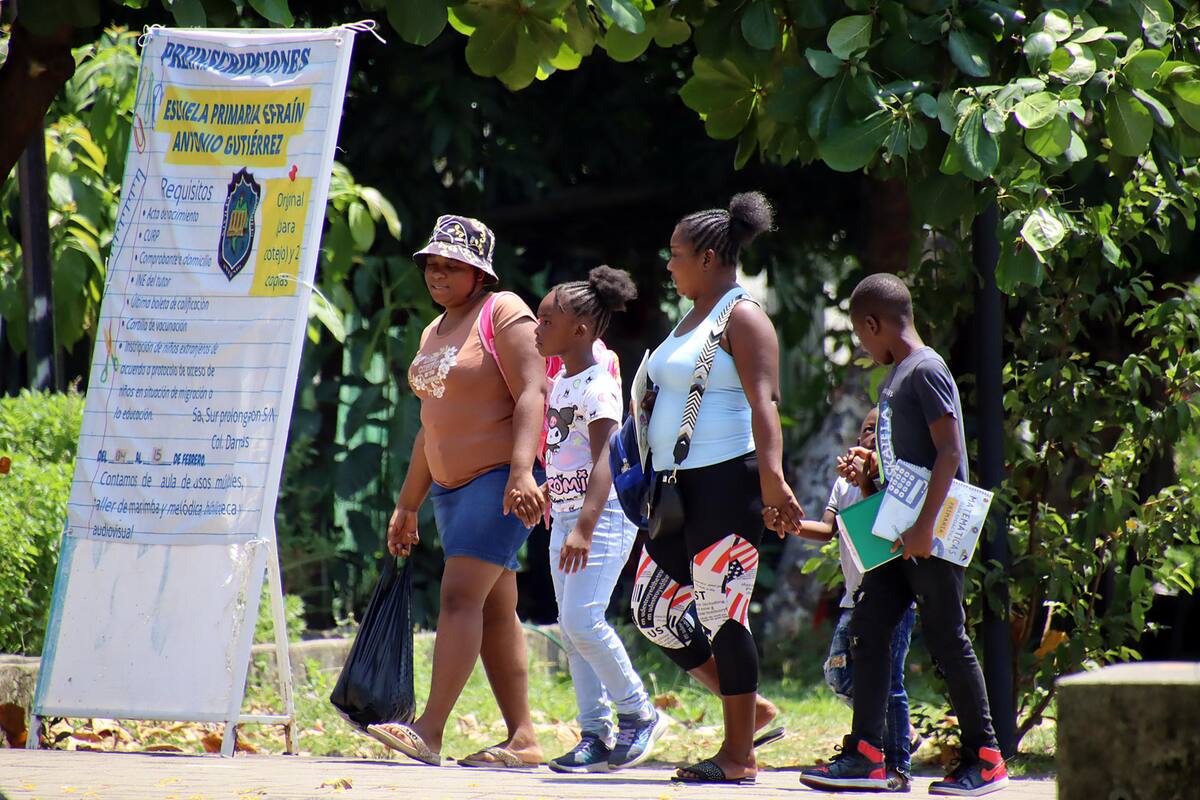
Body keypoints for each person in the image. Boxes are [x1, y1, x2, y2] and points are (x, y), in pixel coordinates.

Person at [799, 273, 1008, 795]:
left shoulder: (926, 369)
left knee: (946, 638)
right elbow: (911, 457)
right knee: (869, 627)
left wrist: (923, 528)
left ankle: (986, 759)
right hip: (897, 534)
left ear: (874, 324)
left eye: (861, 335)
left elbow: (951, 453)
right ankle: (868, 755)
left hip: (928, 535)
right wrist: (874, 467)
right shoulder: (897, 377)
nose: (864, 347)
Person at [630, 192, 803, 785]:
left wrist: (774, 481)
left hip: (729, 483)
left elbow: (765, 404)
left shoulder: (742, 316)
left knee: (722, 615)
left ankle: (738, 757)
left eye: (675, 255)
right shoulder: (691, 316)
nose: (668, 265)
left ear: (707, 257)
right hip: (677, 487)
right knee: (653, 610)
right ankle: (748, 710)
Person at [368, 215, 547, 769]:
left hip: (496, 482)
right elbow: (430, 425)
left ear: (480, 273)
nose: (439, 274)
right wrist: (407, 502)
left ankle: (431, 730)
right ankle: (523, 739)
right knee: (496, 612)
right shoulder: (435, 329)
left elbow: (532, 394)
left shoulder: (503, 312)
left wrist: (522, 472)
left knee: (457, 598)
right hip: (448, 490)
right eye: (433, 265)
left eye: (453, 266)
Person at [534, 266, 668, 773]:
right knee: (572, 630)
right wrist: (552, 490)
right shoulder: (563, 380)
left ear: (581, 330)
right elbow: (570, 456)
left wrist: (585, 527)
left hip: (601, 519)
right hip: (567, 515)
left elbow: (606, 461)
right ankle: (594, 733)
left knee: (583, 619)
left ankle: (639, 713)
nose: (537, 328)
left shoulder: (599, 385)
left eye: (548, 320)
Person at [774, 408, 918, 792]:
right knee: (839, 673)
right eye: (864, 429)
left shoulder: (890, 482)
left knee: (889, 682)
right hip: (856, 598)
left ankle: (897, 764)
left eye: (877, 431)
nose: (867, 436)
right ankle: (891, 727)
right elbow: (826, 530)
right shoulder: (842, 486)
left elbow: (881, 534)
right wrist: (788, 525)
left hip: (891, 599)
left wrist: (867, 483)